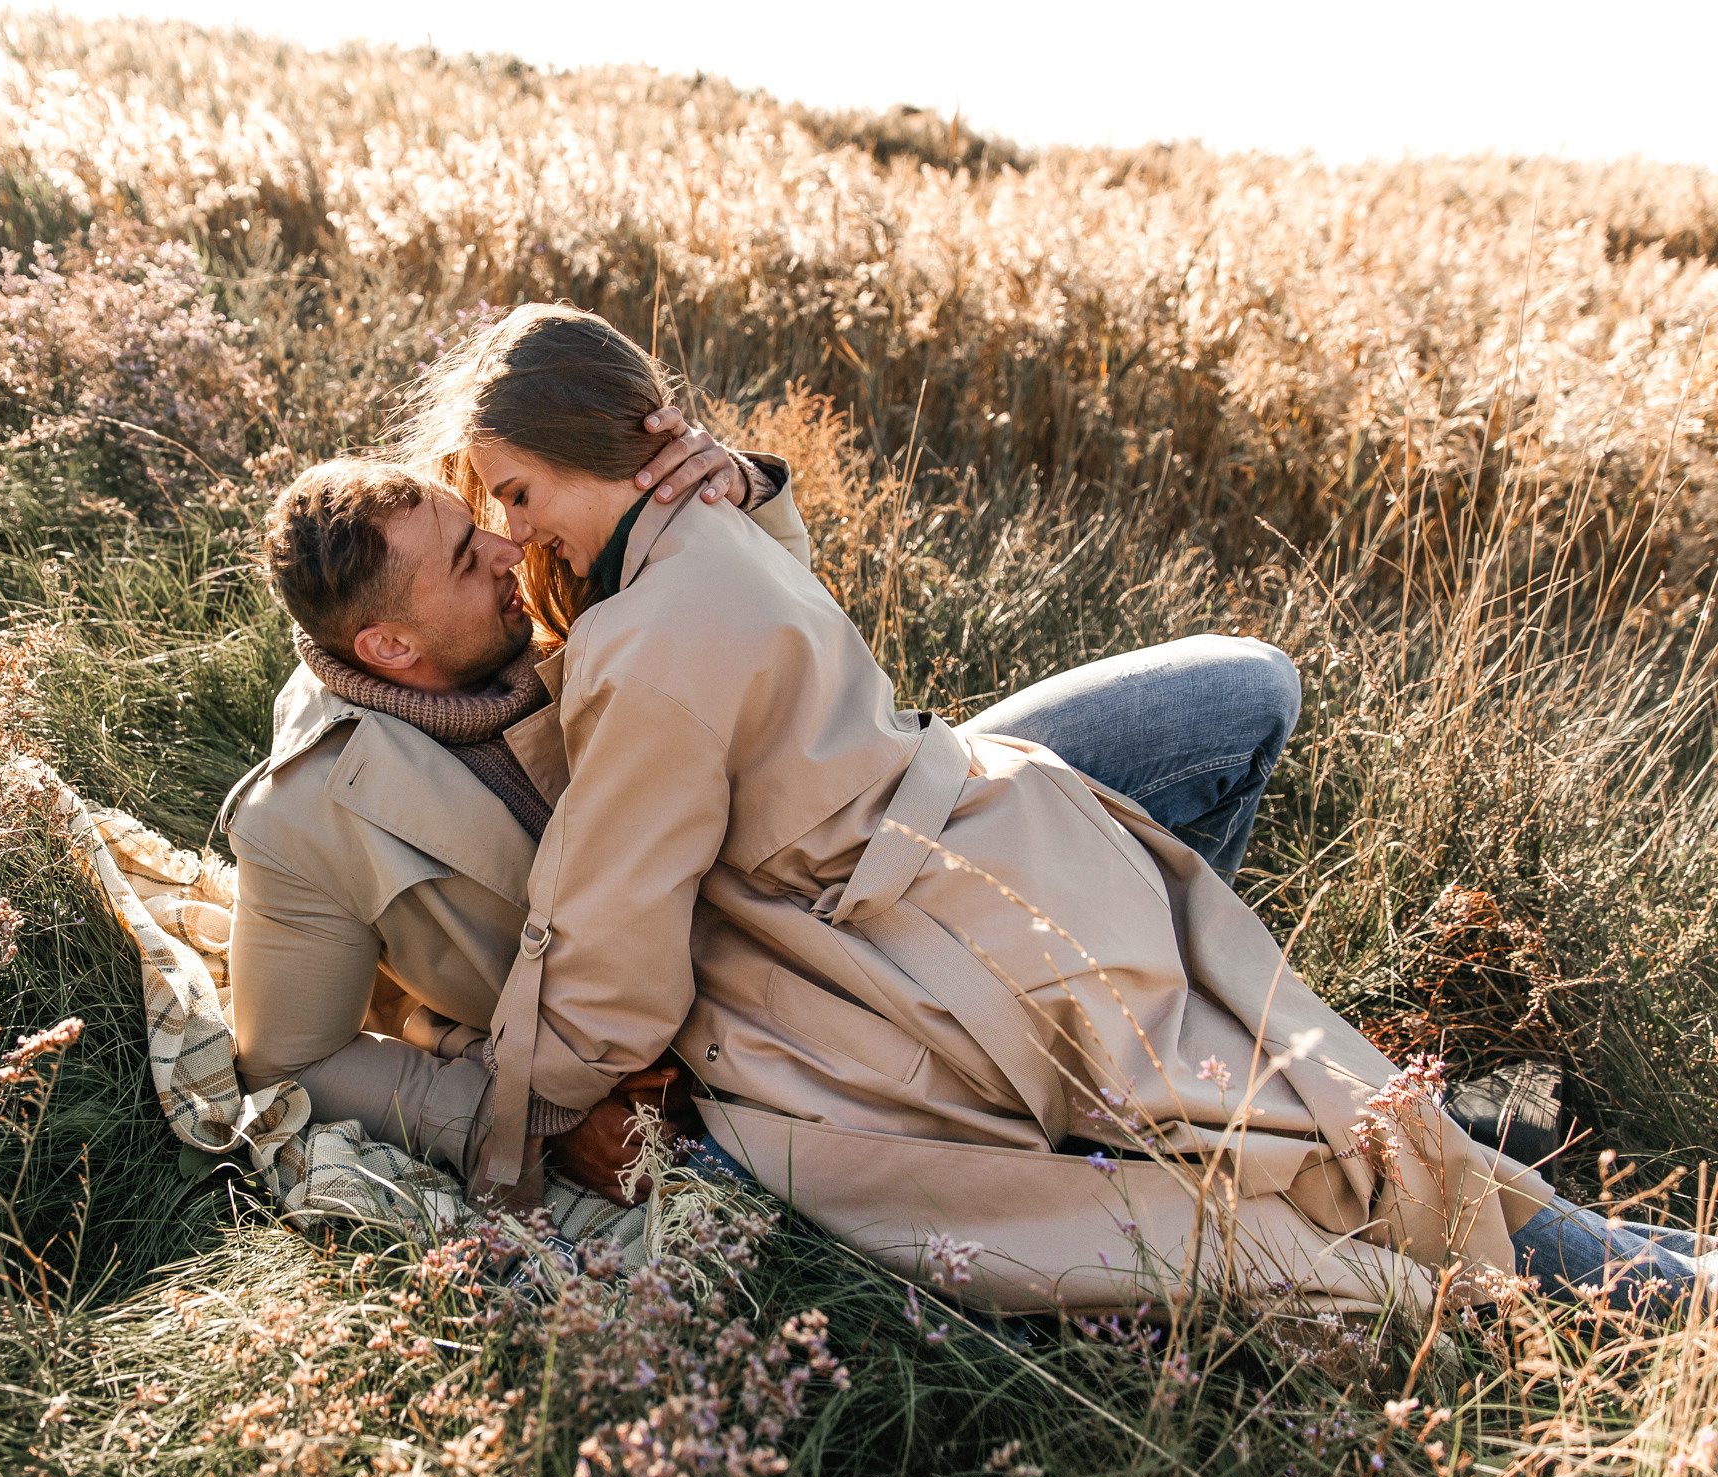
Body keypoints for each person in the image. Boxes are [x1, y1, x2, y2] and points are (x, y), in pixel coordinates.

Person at [394, 300, 1707, 1318]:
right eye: (490, 508)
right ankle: (1652, 1268)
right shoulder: (701, 543)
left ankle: (1646, 1301)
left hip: (949, 935)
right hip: (1023, 837)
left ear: (616, 448)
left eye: (517, 493)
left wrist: (507, 1132)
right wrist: (741, 492)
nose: (512, 536)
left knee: (1304, 1164)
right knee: (1337, 1136)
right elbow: (755, 663)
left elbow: (612, 958)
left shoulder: (645, 639)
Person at [224, 432, 1301, 1223]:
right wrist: (519, 1121)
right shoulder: (307, 815)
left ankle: (1157, 1042)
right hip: (766, 1039)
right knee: (1079, 1208)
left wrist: (740, 493)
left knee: (1238, 694)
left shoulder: (537, 575)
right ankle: (1172, 1110)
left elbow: (789, 640)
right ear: (392, 650)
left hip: (872, 843)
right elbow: (293, 1052)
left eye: (483, 525)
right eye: (468, 561)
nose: (508, 552)